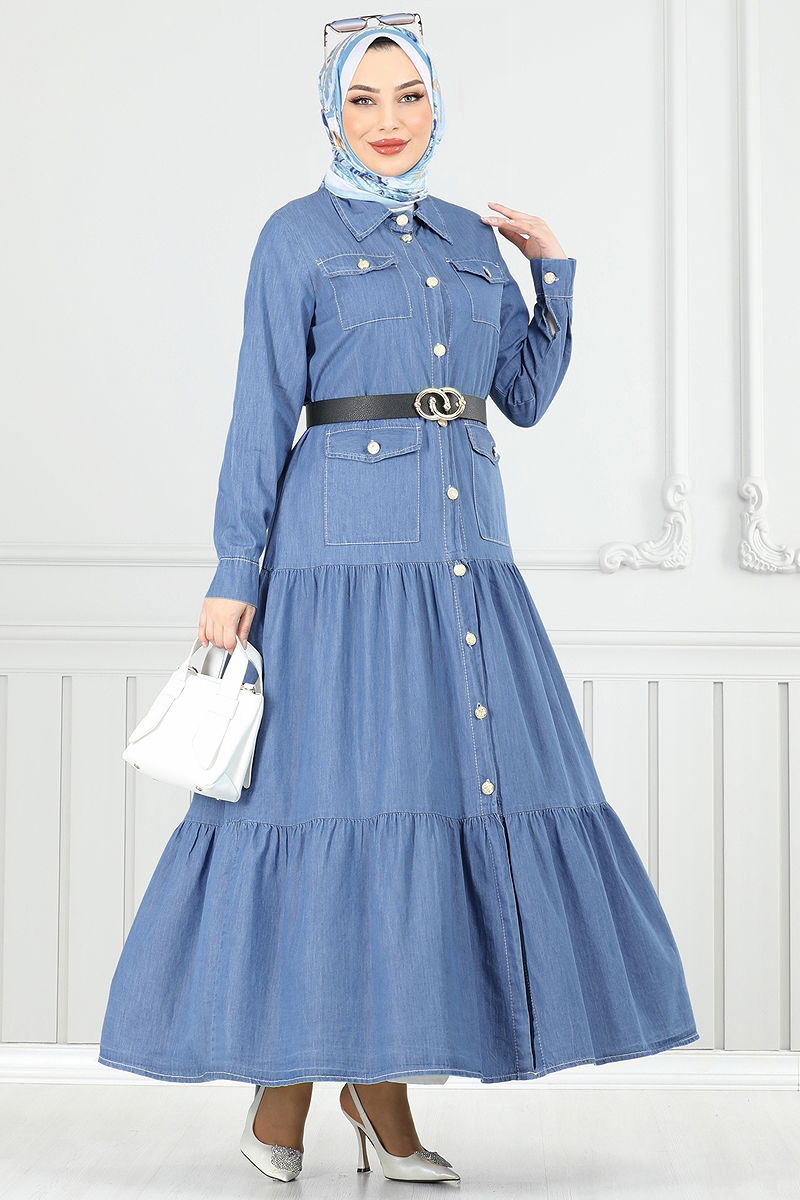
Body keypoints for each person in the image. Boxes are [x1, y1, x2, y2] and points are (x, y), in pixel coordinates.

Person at [98, 14, 700, 1186]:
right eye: (363, 99)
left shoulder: (472, 239)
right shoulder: (294, 237)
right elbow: (259, 409)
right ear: (330, 115)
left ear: (435, 106)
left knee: (428, 807)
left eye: (408, 97)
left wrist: (551, 274)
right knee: (337, 810)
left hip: (464, 560)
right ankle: (296, 1090)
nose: (387, 120)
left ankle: (378, 1092)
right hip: (333, 566)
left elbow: (520, 395)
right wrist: (231, 572)